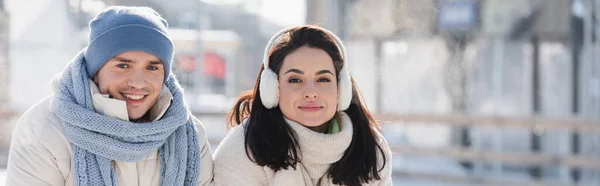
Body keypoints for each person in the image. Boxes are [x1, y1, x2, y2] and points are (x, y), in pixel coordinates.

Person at [5, 6, 213, 186]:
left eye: (152, 68)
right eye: (123, 65)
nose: (138, 82)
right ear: (95, 69)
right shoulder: (44, 130)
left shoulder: (188, 135)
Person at [213, 25, 393, 186]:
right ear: (273, 90)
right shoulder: (242, 151)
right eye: (295, 80)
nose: (311, 92)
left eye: (323, 79)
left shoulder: (370, 149)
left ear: (341, 89)